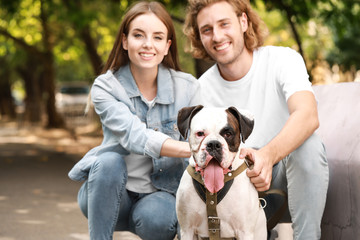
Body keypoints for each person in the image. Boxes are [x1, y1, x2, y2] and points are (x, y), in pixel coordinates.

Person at [184, 0, 329, 239]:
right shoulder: (200, 89)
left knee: (309, 146)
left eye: (224, 24)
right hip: (233, 194)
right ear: (199, 37)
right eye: (207, 30)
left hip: (288, 185)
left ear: (243, 22)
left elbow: (308, 115)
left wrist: (267, 155)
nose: (217, 36)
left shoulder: (283, 60)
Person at [68, 2, 198, 240]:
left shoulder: (188, 88)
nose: (148, 44)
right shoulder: (106, 87)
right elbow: (135, 135)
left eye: (158, 37)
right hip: (108, 197)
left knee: (158, 218)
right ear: (125, 41)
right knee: (108, 162)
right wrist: (192, 148)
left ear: (167, 46)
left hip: (160, 196)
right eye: (139, 35)